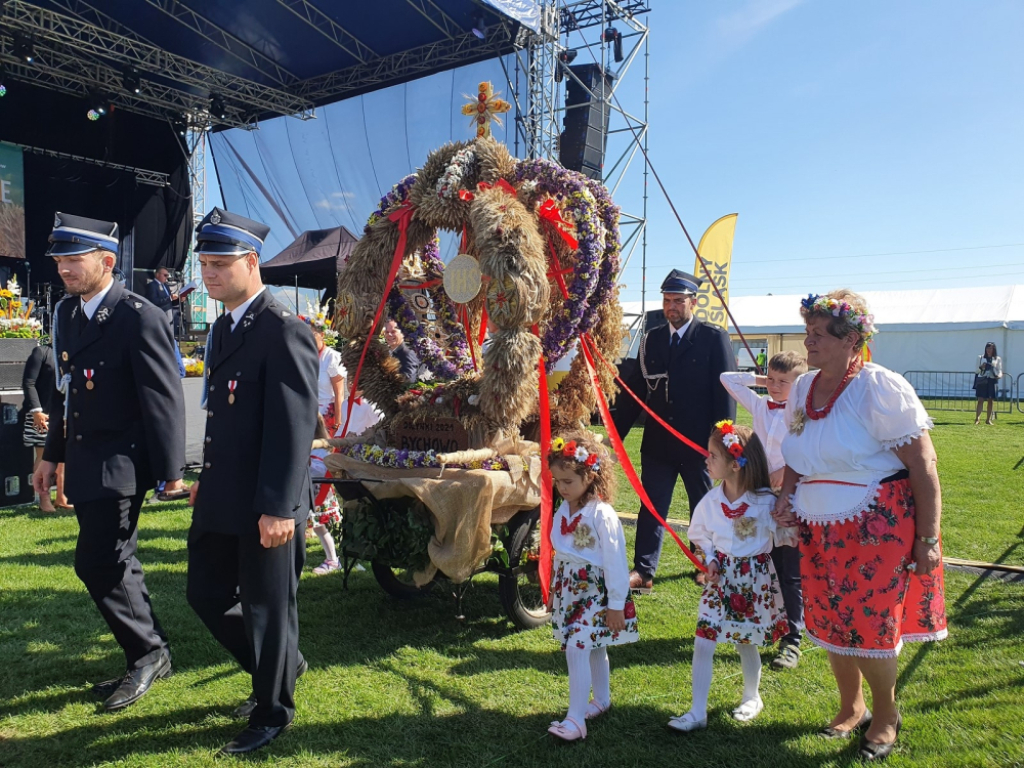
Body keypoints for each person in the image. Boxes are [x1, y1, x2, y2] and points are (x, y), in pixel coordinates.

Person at [774, 290, 946, 761]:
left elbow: (923, 464)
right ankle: (851, 706)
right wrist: (787, 494)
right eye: (806, 333)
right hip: (818, 525)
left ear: (852, 339)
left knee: (868, 624)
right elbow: (795, 453)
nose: (808, 342)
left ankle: (887, 713)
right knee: (829, 617)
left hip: (877, 526)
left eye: (818, 335)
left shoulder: (879, 386)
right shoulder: (805, 388)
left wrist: (928, 538)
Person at [33, 212, 185, 711]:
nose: (64, 270)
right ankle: (151, 650)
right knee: (117, 560)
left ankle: (147, 652)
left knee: (98, 560)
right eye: (59, 261)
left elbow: (163, 400)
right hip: (83, 456)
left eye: (74, 260)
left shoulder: (138, 315)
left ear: (107, 261)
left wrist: (171, 474)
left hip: (124, 460)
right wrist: (51, 457)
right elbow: (64, 394)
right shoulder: (67, 315)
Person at [186, 207, 319, 756]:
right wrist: (204, 478)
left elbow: (293, 429)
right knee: (206, 595)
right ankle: (281, 664)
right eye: (203, 264)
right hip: (223, 492)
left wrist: (280, 507)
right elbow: (222, 416)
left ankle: (271, 711)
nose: (209, 275)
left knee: (268, 607)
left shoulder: (283, 330)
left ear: (251, 261)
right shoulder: (222, 328)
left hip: (269, 499)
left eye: (219, 263)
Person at [612, 269, 736, 593]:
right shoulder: (652, 338)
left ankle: (704, 563)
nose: (672, 307)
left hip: (699, 446)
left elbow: (725, 396)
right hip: (657, 446)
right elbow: (634, 394)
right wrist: (615, 435)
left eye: (678, 301)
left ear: (693, 302)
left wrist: (722, 444)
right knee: (651, 507)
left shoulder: (713, 337)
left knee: (704, 508)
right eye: (667, 300)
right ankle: (643, 571)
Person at [668, 423, 790, 732]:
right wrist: (709, 559)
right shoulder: (711, 502)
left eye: (712, 456)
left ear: (735, 464)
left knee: (745, 642)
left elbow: (788, 535)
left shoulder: (766, 503)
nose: (705, 461)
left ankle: (752, 696)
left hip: (752, 583)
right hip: (720, 582)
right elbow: (701, 535)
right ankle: (697, 711)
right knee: (703, 642)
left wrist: (786, 518)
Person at [547, 431, 638, 742]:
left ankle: (575, 720)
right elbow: (562, 548)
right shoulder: (565, 508)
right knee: (594, 646)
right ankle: (601, 699)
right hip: (571, 590)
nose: (562, 488)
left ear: (590, 475)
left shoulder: (602, 514)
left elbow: (614, 562)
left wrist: (616, 605)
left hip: (595, 592)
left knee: (577, 648)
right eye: (558, 481)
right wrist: (554, 592)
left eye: (568, 481)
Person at [720, 351, 808, 670]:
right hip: (760, 496)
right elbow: (727, 379)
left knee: (789, 568)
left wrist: (786, 469)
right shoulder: (759, 404)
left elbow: (809, 447)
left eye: (783, 382)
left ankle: (793, 639)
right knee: (762, 563)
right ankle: (769, 625)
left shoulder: (803, 410)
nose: (774, 386)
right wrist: (764, 380)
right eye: (771, 379)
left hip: (792, 495)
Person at [21, 340, 70, 513]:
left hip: (64, 414)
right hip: (41, 415)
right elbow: (29, 383)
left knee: (62, 457)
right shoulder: (41, 352)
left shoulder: (70, 353)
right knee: (43, 456)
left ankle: (61, 497)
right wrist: (36, 411)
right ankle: (44, 500)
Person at [308, 414, 344, 575]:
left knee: (319, 528)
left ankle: (333, 560)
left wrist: (308, 465)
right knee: (317, 528)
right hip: (310, 491)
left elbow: (324, 472)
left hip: (318, 493)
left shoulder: (324, 450)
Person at [302, 313, 345, 435]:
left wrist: (338, 422)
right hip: (308, 413)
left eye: (312, 335)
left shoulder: (332, 357)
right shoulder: (304, 356)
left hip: (327, 414)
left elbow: (339, 393)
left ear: (321, 335)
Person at [383, 318, 421, 383]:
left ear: (403, 333)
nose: (389, 335)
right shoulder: (387, 352)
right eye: (387, 332)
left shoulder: (407, 353)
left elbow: (409, 380)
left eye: (393, 331)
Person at [973, 341, 1003, 425]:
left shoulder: (997, 359)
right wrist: (981, 367)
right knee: (980, 399)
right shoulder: (980, 357)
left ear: (994, 349)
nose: (989, 350)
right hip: (983, 379)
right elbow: (976, 371)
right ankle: (977, 419)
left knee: (990, 400)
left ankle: (988, 419)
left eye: (991, 348)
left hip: (992, 380)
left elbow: (999, 370)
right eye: (987, 348)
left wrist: (999, 375)